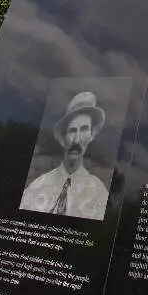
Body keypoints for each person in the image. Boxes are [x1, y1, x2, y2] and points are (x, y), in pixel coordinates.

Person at [20, 90, 109, 220]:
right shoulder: (36, 187)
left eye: (84, 130)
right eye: (72, 131)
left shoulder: (99, 194)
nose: (77, 139)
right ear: (62, 139)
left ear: (91, 136)